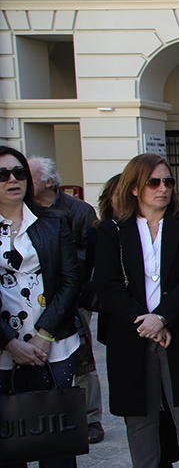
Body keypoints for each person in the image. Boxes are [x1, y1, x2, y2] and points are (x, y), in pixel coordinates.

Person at [95, 154, 179, 468]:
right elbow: (107, 284)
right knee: (139, 415)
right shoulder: (112, 231)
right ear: (134, 188)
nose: (163, 189)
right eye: (154, 183)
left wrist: (162, 317)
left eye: (168, 182)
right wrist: (143, 322)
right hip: (132, 335)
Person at [0, 146, 92, 468]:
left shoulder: (53, 223)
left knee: (55, 423)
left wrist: (42, 334)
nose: (13, 180)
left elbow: (70, 280)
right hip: (5, 346)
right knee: (6, 430)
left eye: (18, 172)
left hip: (51, 340)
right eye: (2, 175)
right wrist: (10, 342)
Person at [86, 176, 179, 468]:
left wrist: (159, 318)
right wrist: (138, 317)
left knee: (167, 402)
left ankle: (163, 460)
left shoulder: (173, 227)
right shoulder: (103, 233)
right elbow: (95, 283)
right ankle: (144, 465)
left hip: (164, 324)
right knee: (136, 402)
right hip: (124, 327)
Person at [29, 156, 103, 445]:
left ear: (49, 181)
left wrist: (62, 264)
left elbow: (91, 254)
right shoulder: (24, 213)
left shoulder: (78, 211)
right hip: (34, 298)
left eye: (29, 175)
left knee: (82, 359)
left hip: (74, 295)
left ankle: (90, 417)